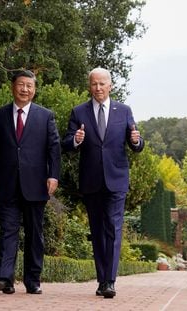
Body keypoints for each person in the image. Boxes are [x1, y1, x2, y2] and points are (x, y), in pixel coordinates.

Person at [62, 67, 144, 298]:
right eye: (94, 84)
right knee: (97, 231)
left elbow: (135, 142)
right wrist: (76, 141)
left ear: (110, 86)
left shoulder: (124, 111)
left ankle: (110, 281)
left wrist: (137, 142)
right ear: (89, 86)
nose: (98, 88)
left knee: (113, 228)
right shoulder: (79, 112)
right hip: (91, 181)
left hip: (117, 180)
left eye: (102, 84)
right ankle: (101, 280)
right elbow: (67, 143)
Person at [0, 70, 61, 295]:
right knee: (8, 230)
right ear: (13, 87)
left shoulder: (45, 116)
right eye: (21, 84)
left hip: (36, 184)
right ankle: (5, 278)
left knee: (34, 234)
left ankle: (33, 280)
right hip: (6, 183)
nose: (25, 89)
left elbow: (54, 149)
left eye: (29, 85)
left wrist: (53, 175)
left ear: (34, 89)